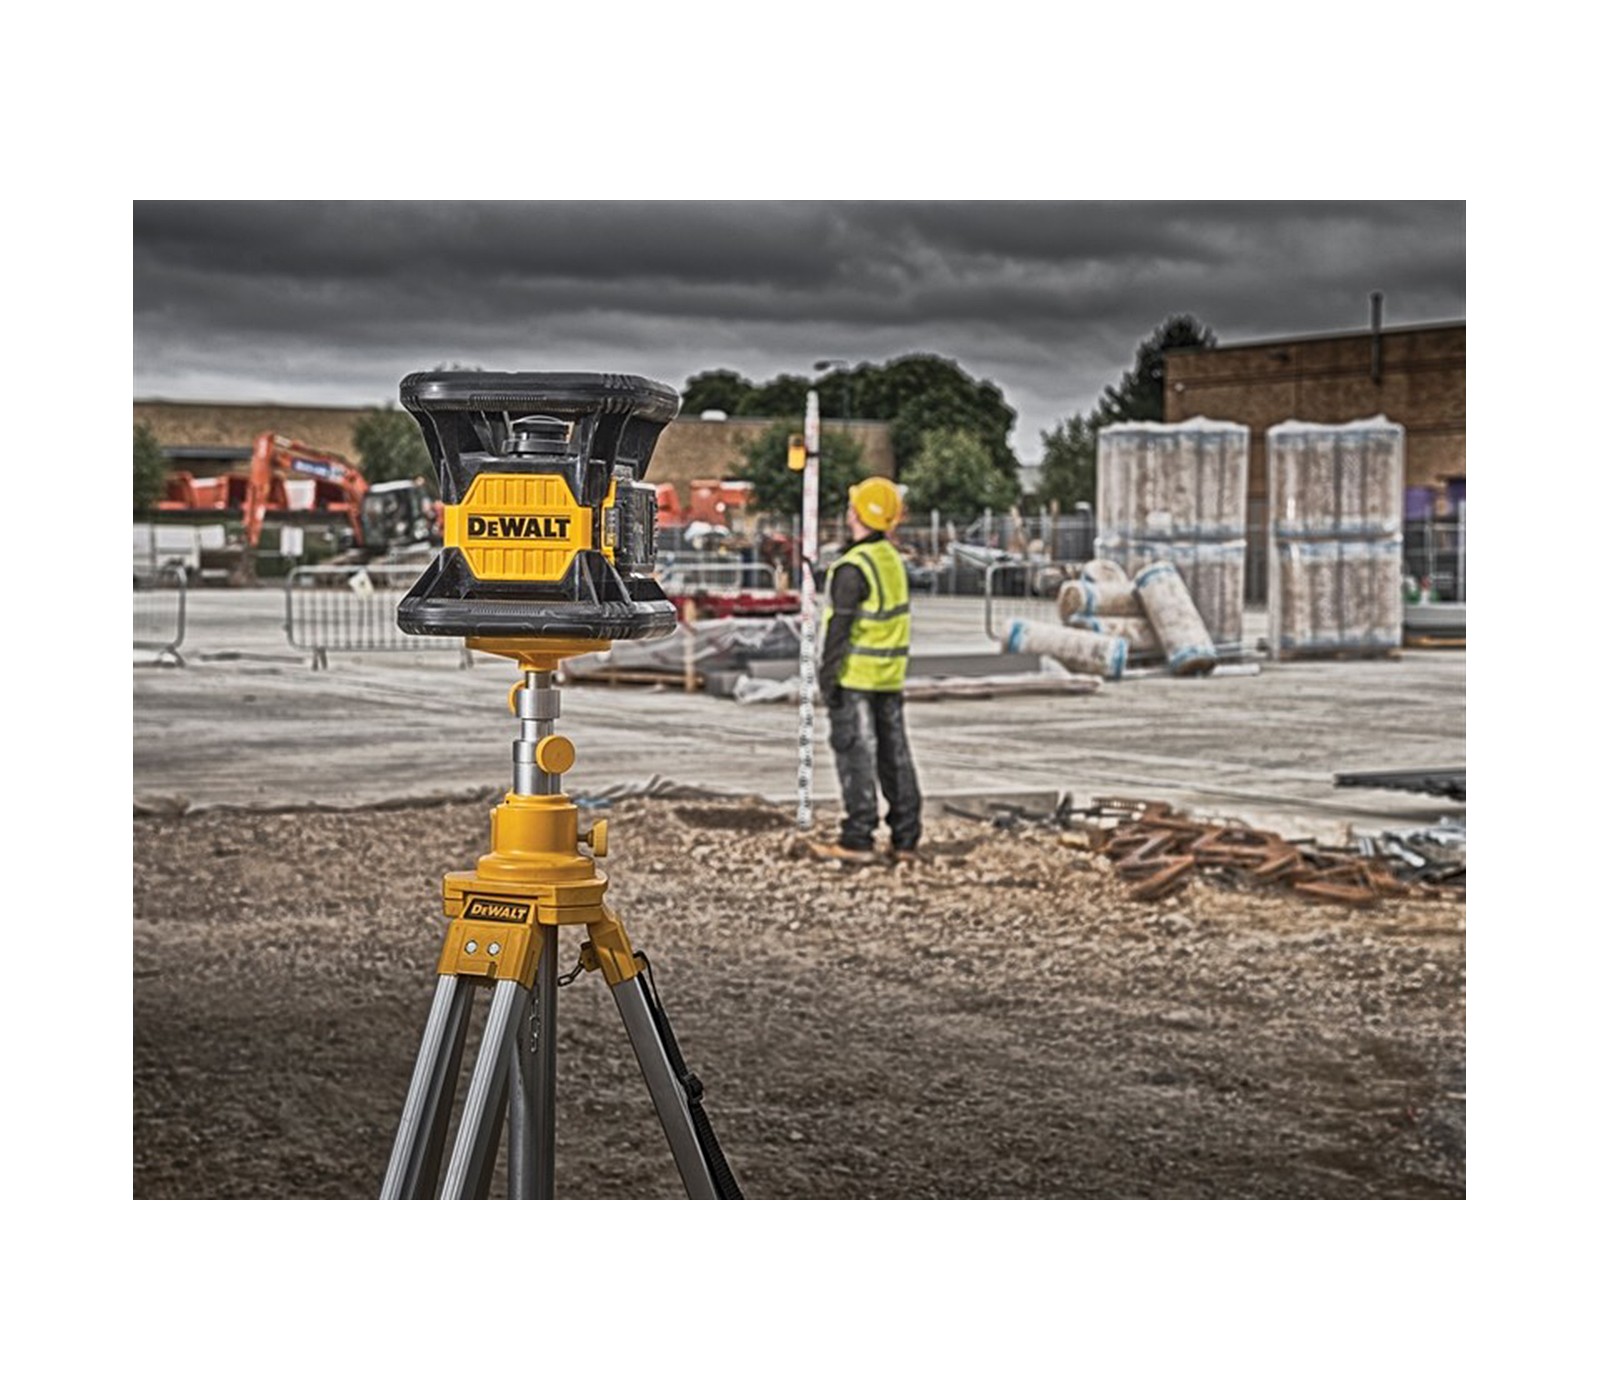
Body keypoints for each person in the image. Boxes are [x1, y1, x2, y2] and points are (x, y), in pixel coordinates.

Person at [811, 476, 923, 864]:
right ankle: (906, 839)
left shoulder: (852, 567)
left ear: (857, 513)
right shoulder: (891, 560)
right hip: (888, 677)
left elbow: (839, 630)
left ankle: (857, 838)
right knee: (895, 756)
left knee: (855, 754)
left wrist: (827, 679)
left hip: (855, 677)